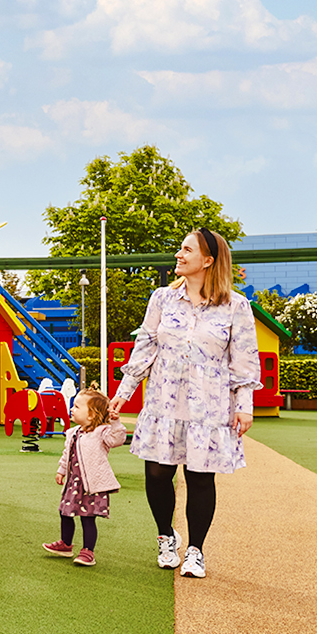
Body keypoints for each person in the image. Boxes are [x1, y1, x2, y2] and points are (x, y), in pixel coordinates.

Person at [112, 228, 260, 579]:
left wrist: (245, 404)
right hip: (164, 402)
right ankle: (166, 536)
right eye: (180, 249)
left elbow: (244, 360)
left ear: (208, 261)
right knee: (157, 472)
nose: (179, 255)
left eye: (187, 250)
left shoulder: (236, 306)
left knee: (199, 477)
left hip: (208, 408)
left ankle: (196, 550)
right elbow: (145, 348)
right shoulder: (162, 299)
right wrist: (124, 391)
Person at [43, 387, 127, 567]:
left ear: (91, 415)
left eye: (77, 407)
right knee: (65, 512)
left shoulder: (102, 433)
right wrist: (61, 470)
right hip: (73, 483)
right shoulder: (72, 432)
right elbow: (67, 453)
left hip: (92, 484)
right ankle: (66, 544)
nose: (72, 409)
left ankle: (88, 551)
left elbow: (117, 440)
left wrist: (116, 423)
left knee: (87, 517)